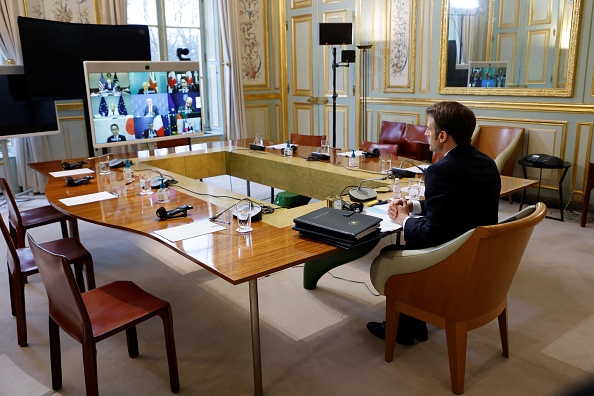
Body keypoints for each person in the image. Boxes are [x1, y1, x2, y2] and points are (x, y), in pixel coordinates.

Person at [366, 101, 501, 345]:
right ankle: (413, 323)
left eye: (429, 128)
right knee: (412, 239)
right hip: (481, 256)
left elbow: (432, 234)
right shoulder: (487, 163)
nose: (425, 133)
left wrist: (404, 219)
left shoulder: (440, 170)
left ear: (442, 135)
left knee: (392, 252)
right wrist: (414, 207)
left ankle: (404, 328)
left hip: (455, 260)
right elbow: (458, 207)